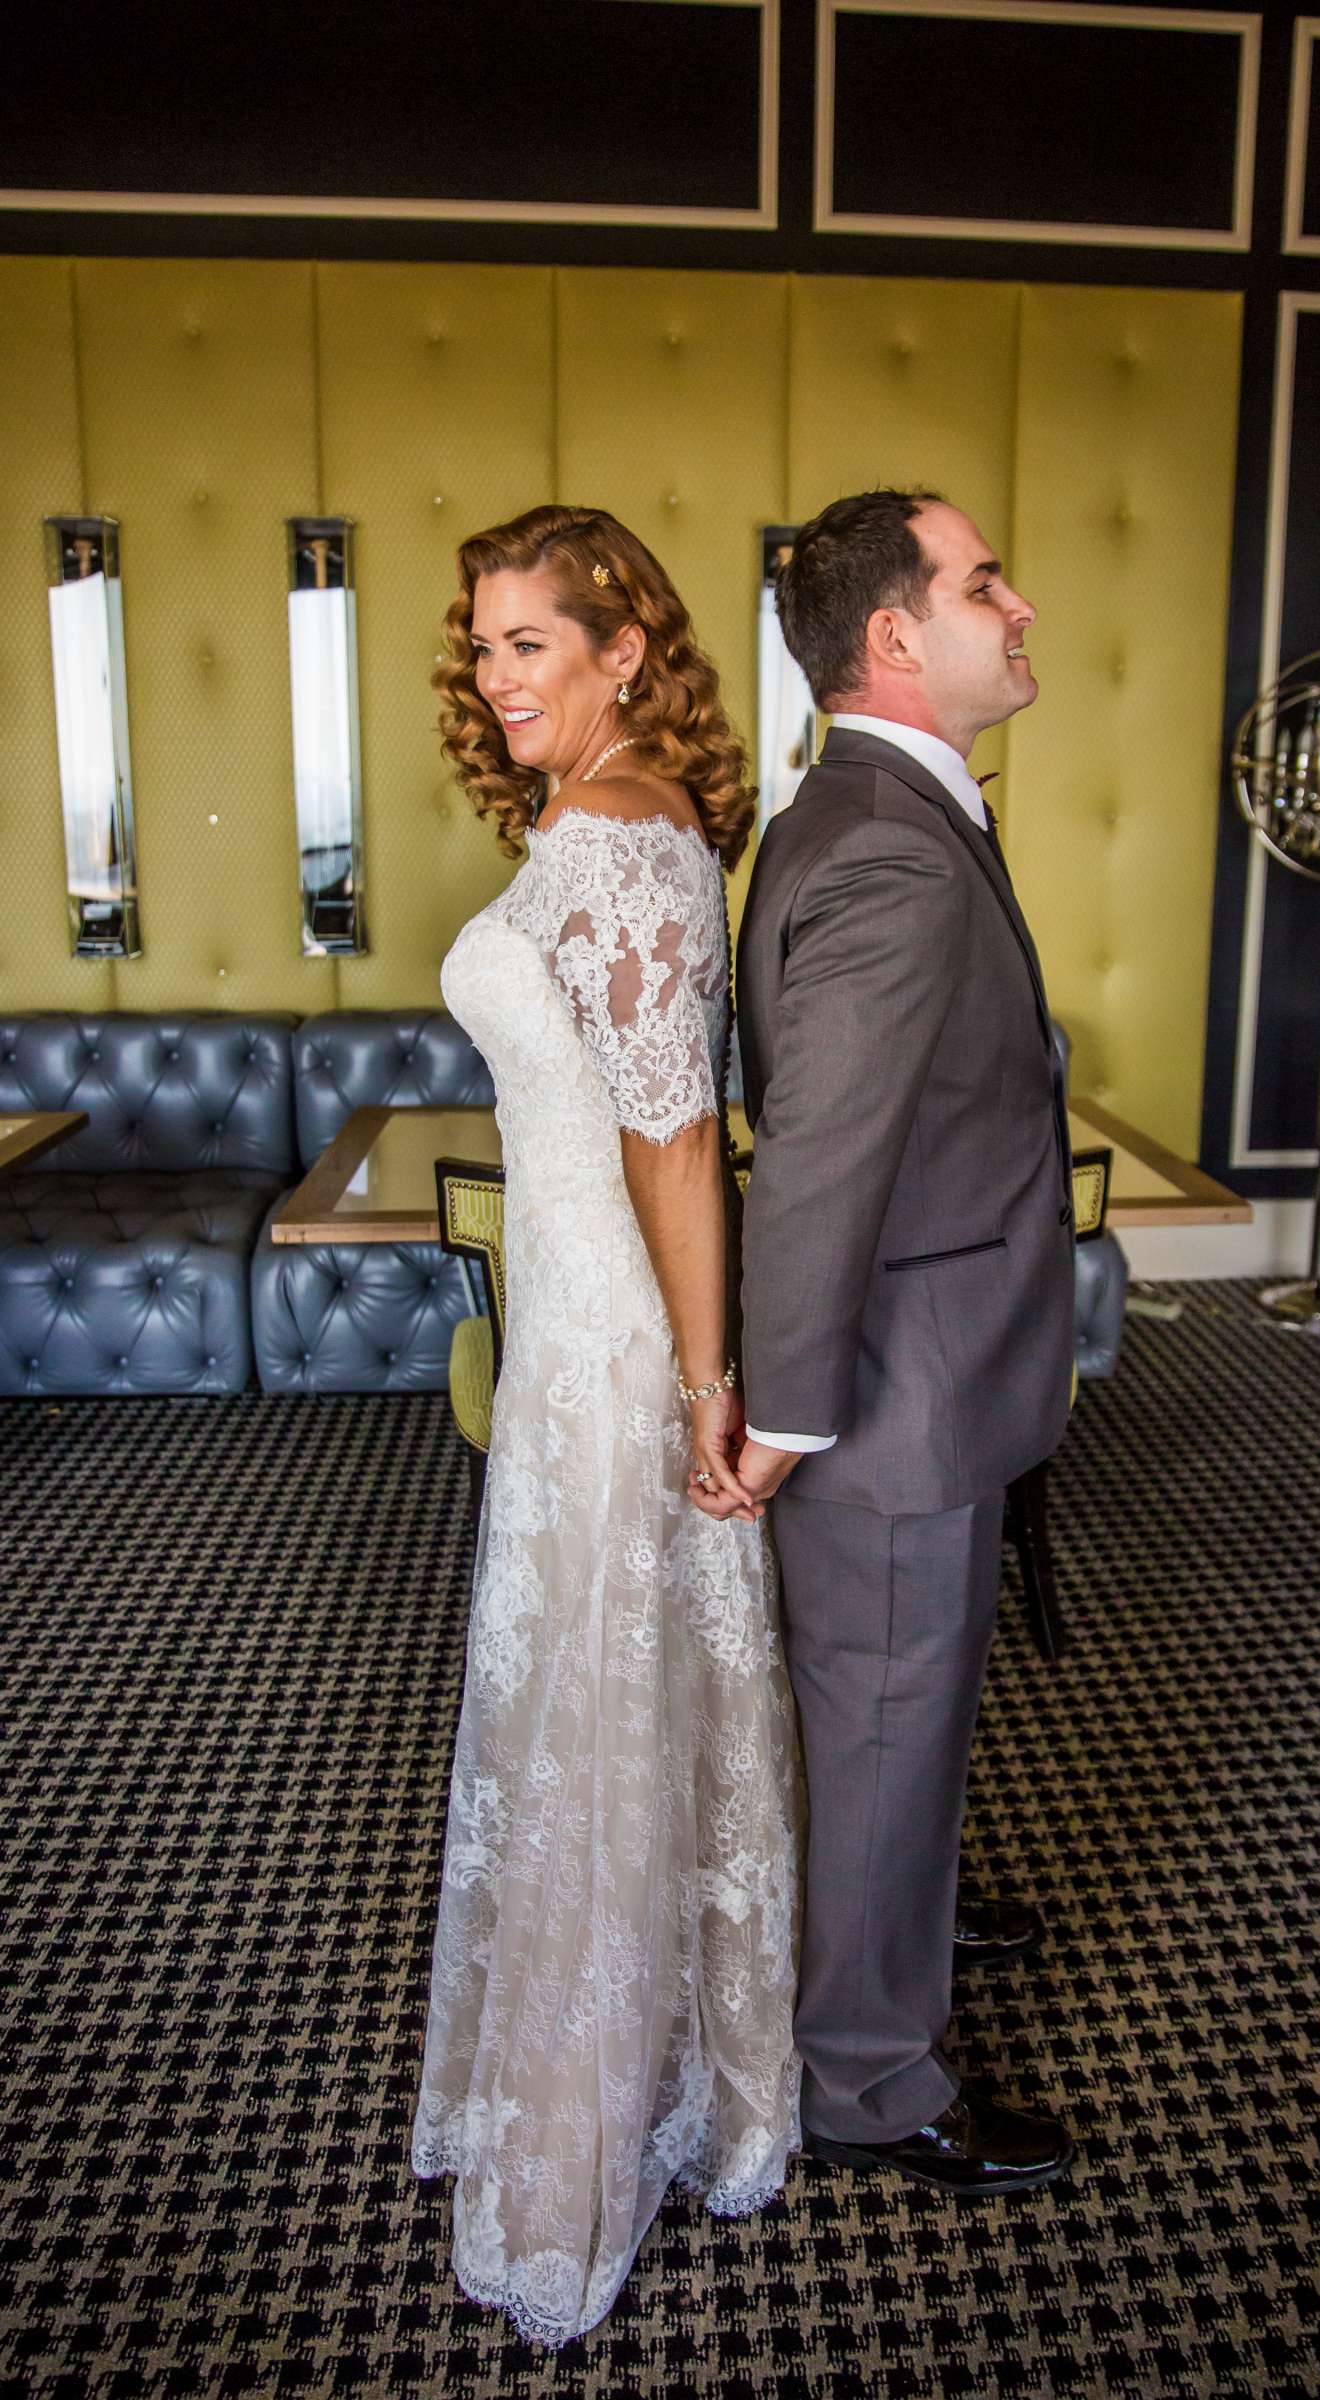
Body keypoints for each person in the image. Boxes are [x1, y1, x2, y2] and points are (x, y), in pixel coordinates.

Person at [412, 505, 802, 2347]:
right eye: (484, 648)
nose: (497, 682)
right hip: (574, 1313)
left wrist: (713, 1390)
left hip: (616, 1343)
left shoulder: (629, 842)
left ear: (622, 651)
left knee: (605, 1692)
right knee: (591, 1696)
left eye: (530, 647)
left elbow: (676, 1147)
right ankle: (603, 2077)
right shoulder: (597, 824)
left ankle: (583, 2136)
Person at [731, 488, 1078, 2195]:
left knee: (905, 1721)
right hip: (886, 1396)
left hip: (929, 1366)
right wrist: (790, 1409)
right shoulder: (880, 836)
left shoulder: (878, 808)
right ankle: (868, 2085)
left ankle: (910, 1913)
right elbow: (817, 1158)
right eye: (985, 581)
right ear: (893, 635)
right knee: (879, 1722)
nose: (1019, 608)